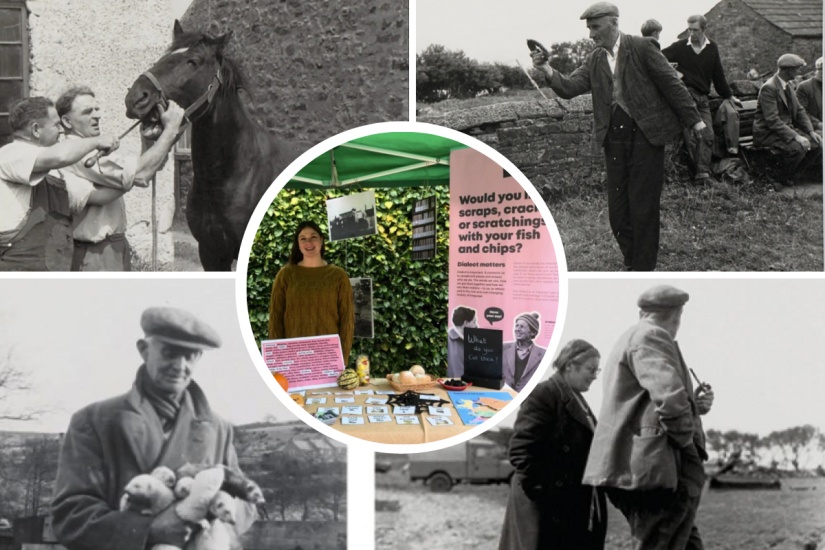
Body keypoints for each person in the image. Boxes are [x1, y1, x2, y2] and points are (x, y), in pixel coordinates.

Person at [51, 306, 257, 550]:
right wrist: (149, 530)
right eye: (170, 353)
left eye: (190, 356)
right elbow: (70, 515)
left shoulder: (219, 429)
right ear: (144, 350)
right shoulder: (94, 421)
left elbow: (247, 505)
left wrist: (214, 511)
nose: (180, 366)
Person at [531, 2, 704, 271]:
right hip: (614, 138)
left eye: (595, 27)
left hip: (645, 135)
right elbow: (569, 87)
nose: (590, 34)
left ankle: (642, 267)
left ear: (613, 23)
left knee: (643, 206)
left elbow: (672, 84)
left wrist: (695, 120)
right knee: (618, 211)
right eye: (589, 28)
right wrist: (547, 70)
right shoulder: (594, 58)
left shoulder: (642, 47)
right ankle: (631, 258)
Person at [582, 285, 715, 550]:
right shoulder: (651, 336)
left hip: (644, 468)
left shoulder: (633, 336)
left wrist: (695, 407)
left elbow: (646, 404)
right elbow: (669, 399)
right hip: (657, 469)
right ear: (676, 315)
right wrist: (688, 446)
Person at [55, 86, 186, 271]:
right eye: (87, 112)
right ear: (67, 122)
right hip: (96, 254)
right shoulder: (77, 151)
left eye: (96, 109)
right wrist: (171, 129)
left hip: (111, 248)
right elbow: (141, 175)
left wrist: (148, 141)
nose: (97, 115)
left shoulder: (85, 147)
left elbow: (140, 173)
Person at [499, 339, 607, 550]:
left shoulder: (578, 401)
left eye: (597, 370)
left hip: (569, 506)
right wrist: (547, 496)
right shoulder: (544, 394)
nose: (595, 376)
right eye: (591, 369)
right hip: (546, 509)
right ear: (569, 366)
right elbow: (522, 451)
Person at [0, 97, 119, 270]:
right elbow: (60, 156)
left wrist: (129, 174)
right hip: (17, 265)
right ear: (35, 129)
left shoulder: (56, 173)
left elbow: (99, 196)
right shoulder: (11, 153)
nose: (62, 131)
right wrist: (97, 141)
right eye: (56, 125)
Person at [663, 14, 743, 179]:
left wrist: (729, 95)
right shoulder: (680, 46)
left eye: (696, 30)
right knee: (692, 135)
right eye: (689, 29)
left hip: (703, 98)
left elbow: (718, 75)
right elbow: (658, 58)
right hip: (686, 96)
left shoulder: (711, 47)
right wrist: (677, 75)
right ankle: (701, 175)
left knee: (707, 135)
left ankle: (702, 173)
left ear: (704, 29)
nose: (692, 33)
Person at [268, 221, 355, 364]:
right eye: (303, 238)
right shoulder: (286, 275)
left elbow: (347, 321)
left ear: (321, 240)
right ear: (298, 244)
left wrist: (342, 359)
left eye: (313, 237)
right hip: (293, 356)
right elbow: (276, 319)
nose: (308, 242)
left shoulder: (338, 276)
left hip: (328, 356)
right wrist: (279, 359)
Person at [753, 54, 822, 179]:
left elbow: (800, 111)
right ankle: (780, 177)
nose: (798, 72)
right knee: (797, 148)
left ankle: (796, 175)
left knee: (817, 144)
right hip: (768, 134)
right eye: (797, 69)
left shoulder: (788, 85)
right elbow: (772, 120)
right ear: (789, 70)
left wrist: (811, 132)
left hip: (783, 131)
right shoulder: (769, 88)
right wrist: (797, 137)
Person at [502, 312, 547, 392]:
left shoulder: (544, 354)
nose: (517, 329)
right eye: (517, 326)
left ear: (533, 333)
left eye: (522, 327)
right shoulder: (503, 348)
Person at [446, 305, 478, 378]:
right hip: (452, 385)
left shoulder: (475, 339)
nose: (476, 325)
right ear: (466, 323)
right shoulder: (448, 339)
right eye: (474, 322)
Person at [796, 56, 822, 134]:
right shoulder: (805, 87)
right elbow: (801, 112)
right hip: (813, 128)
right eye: (820, 70)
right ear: (816, 70)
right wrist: (818, 124)